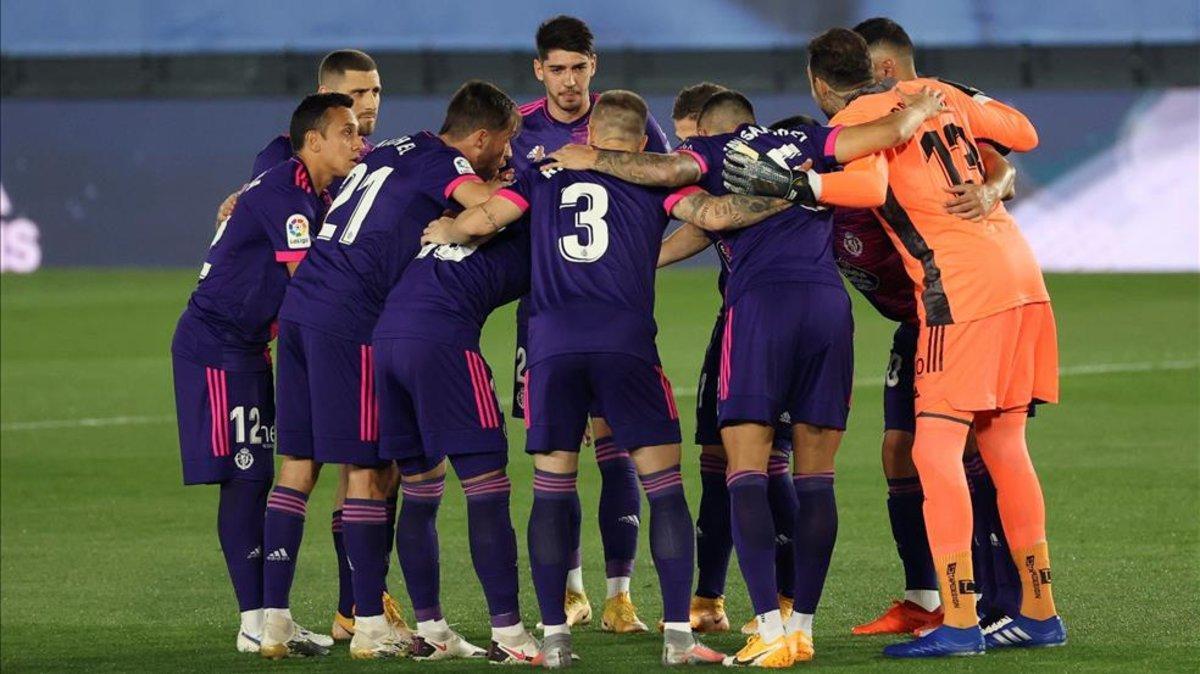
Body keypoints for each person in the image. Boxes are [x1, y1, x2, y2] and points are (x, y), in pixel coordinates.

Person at [543, 85, 943, 666]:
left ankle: (768, 629)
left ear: (710, 130)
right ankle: (801, 626)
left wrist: (593, 157)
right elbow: (887, 134)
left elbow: (670, 173)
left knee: (745, 470)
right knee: (816, 477)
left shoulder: (713, 150)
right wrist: (922, 109)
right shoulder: (810, 141)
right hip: (828, 312)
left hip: (759, 311)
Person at [726, 28, 1065, 658]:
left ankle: (959, 620)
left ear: (818, 84)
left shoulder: (855, 120)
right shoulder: (934, 91)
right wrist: (966, 112)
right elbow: (1022, 133)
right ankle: (1039, 612)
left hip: (957, 291)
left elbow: (870, 188)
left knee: (933, 451)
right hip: (1020, 273)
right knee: (1004, 443)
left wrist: (797, 186)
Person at [423, 90, 744, 668]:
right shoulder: (655, 182)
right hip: (626, 345)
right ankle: (677, 638)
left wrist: (450, 229)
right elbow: (711, 219)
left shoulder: (542, 174)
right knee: (664, 487)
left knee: (551, 488)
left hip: (550, 351)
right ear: (642, 143)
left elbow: (487, 218)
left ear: (590, 134)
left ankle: (554, 638)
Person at [258, 80, 518, 659]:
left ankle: (273, 621)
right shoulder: (443, 161)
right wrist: (523, 185)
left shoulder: (395, 148)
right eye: (504, 144)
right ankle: (369, 623)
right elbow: (484, 205)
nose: (506, 155)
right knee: (369, 470)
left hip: (301, 307)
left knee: (298, 465)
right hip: (350, 318)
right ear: (481, 138)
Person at [843, 17, 1023, 636]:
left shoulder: (923, 112)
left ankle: (986, 601)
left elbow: (1002, 156)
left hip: (958, 305)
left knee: (962, 448)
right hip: (923, 316)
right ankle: (928, 597)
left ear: (883, 70)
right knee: (902, 450)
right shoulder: (862, 132)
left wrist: (993, 188)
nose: (842, 95)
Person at [214, 49, 400, 642]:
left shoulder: (368, 158)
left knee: (340, 466)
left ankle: (331, 611)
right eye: (356, 94)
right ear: (325, 100)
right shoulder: (287, 159)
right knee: (365, 464)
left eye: (375, 92)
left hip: (311, 327)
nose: (368, 105)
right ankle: (360, 612)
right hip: (332, 327)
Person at [170, 92, 360, 655]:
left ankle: (269, 619)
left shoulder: (314, 192)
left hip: (250, 348)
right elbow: (308, 283)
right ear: (313, 141)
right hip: (215, 345)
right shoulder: (288, 195)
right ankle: (254, 621)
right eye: (347, 132)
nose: (358, 142)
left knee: (256, 478)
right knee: (245, 479)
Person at [506, 17, 673, 632]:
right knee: (557, 452)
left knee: (616, 447)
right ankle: (571, 591)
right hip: (544, 313)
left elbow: (667, 175)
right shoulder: (520, 128)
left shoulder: (622, 122)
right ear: (539, 71)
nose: (569, 81)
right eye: (557, 69)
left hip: (613, 309)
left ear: (593, 66)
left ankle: (619, 595)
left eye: (578, 68)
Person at [370, 207, 540, 663]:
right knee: (487, 491)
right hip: (442, 342)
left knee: (419, 490)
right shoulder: (541, 230)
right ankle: (510, 636)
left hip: (386, 341)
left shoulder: (468, 217)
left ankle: (432, 633)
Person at [660, 82, 799, 636]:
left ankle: (788, 600)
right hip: (732, 323)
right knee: (715, 460)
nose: (688, 154)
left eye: (691, 140)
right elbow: (704, 226)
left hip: (776, 324)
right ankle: (708, 598)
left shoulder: (760, 168)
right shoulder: (715, 178)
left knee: (769, 461)